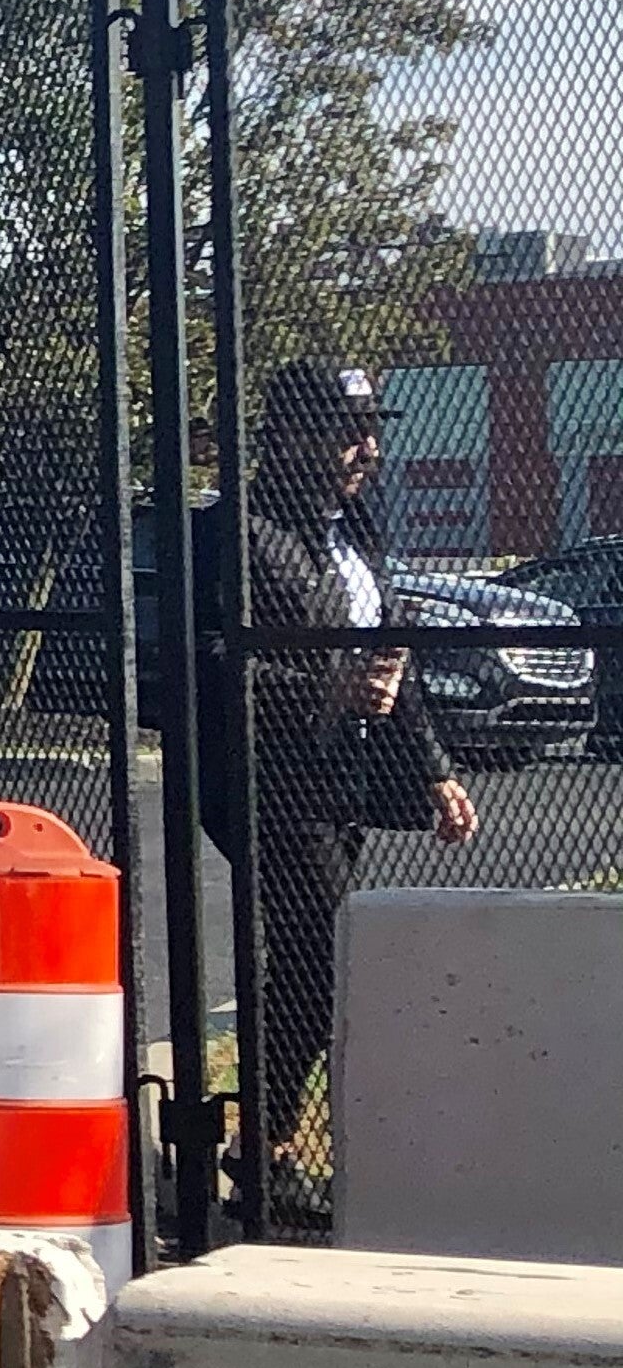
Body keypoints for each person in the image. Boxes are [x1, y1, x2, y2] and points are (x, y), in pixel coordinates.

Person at [203, 359, 476, 1209]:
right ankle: (262, 1149)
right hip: (266, 780)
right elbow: (207, 666)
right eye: (347, 429)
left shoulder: (357, 527)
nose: (368, 448)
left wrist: (435, 771)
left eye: (373, 429)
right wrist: (328, 685)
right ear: (289, 435)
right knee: (321, 958)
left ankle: (260, 1144)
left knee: (311, 964)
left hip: (344, 777)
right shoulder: (235, 533)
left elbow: (393, 660)